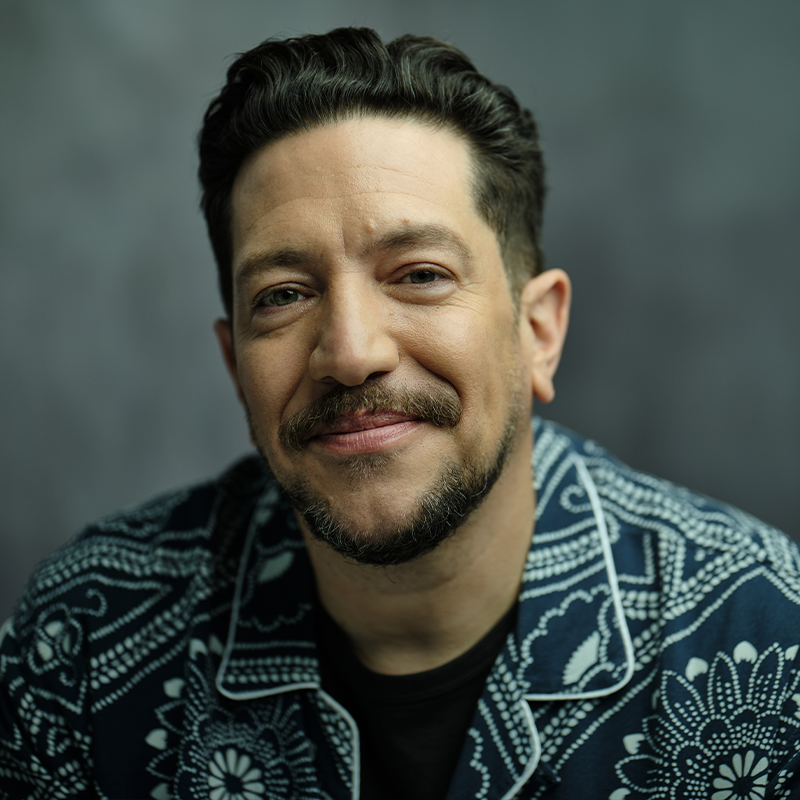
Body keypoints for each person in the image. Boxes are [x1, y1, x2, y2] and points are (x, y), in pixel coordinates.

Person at [1, 26, 799, 800]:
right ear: (237, 369)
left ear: (538, 333)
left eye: (419, 274)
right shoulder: (85, 644)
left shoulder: (766, 635)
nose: (351, 353)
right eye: (283, 295)